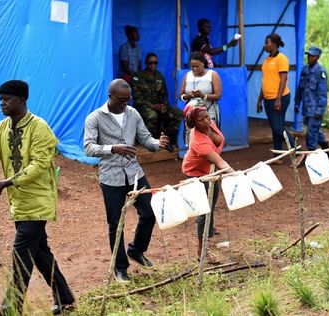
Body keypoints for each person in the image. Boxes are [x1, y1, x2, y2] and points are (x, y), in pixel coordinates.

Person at [0, 80, 74, 315]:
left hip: (38, 200)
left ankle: (10, 309)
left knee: (21, 254)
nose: (2, 103)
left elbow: (39, 165)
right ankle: (64, 297)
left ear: (22, 100)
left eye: (7, 99)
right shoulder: (0, 129)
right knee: (40, 252)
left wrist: (6, 182)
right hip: (18, 202)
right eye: (0, 99)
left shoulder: (39, 127)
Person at [84, 79, 169, 282]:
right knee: (116, 224)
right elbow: (88, 147)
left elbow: (145, 138)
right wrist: (113, 148)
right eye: (121, 100)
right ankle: (120, 268)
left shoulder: (133, 114)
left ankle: (136, 250)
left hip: (134, 174)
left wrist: (158, 144)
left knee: (149, 212)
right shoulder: (94, 118)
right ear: (110, 96)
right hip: (111, 177)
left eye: (128, 100)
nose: (125, 104)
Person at [181, 103, 234, 260]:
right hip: (196, 174)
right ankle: (201, 252)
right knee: (203, 211)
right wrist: (237, 176)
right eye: (201, 119)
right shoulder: (198, 141)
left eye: (207, 116)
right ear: (194, 124)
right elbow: (221, 163)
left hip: (209, 170)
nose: (207, 121)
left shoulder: (210, 124)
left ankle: (208, 232)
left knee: (211, 205)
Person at [256, 33, 295, 165]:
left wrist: (278, 99)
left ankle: (297, 152)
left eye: (267, 42)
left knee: (278, 128)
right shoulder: (267, 60)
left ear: (274, 44)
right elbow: (265, 81)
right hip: (268, 99)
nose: (264, 45)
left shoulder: (281, 59)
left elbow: (283, 79)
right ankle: (278, 156)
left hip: (280, 98)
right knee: (275, 127)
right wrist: (259, 99)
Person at [132, 53, 184, 147]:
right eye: (150, 63)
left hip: (158, 106)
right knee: (152, 115)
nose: (153, 65)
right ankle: (151, 142)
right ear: (146, 63)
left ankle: (168, 141)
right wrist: (153, 106)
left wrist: (163, 106)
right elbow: (137, 99)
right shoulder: (138, 77)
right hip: (144, 107)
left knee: (178, 114)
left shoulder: (159, 76)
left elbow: (164, 94)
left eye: (155, 63)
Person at [294, 46, 329, 166]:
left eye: (312, 56)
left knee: (311, 133)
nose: (309, 58)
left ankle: (309, 157)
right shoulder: (305, 70)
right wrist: (297, 103)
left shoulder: (321, 72)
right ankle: (325, 146)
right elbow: (300, 88)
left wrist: (320, 110)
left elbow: (322, 93)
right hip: (306, 107)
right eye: (308, 55)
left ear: (317, 57)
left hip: (315, 109)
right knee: (313, 130)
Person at [179, 52, 222, 127]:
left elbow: (218, 96)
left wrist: (203, 96)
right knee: (192, 137)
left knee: (207, 135)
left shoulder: (212, 74)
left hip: (208, 113)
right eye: (192, 67)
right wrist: (188, 96)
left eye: (197, 66)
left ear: (203, 63)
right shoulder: (187, 76)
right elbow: (181, 96)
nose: (194, 69)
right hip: (192, 114)